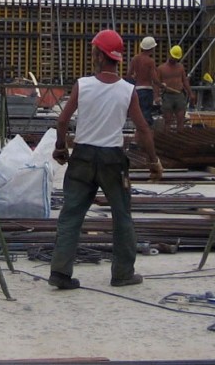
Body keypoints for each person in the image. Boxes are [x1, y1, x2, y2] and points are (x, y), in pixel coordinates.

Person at [48, 29, 163, 290]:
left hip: (83, 157)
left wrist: (60, 148)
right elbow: (144, 129)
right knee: (122, 216)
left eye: (93, 52)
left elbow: (63, 120)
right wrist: (154, 160)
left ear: (100, 55)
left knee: (71, 215)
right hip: (112, 160)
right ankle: (122, 274)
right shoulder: (127, 90)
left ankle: (60, 272)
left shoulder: (83, 85)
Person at [156, 45, 194, 137]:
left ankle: (179, 138)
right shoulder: (161, 68)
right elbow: (156, 83)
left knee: (180, 119)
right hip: (167, 96)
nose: (175, 59)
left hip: (179, 95)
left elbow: (184, 80)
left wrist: (190, 93)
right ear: (170, 55)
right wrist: (156, 96)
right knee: (167, 120)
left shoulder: (180, 67)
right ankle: (167, 140)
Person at [126, 35, 159, 124]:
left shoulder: (135, 59)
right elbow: (154, 78)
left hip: (137, 90)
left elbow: (128, 75)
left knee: (138, 116)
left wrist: (135, 77)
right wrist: (161, 85)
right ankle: (145, 136)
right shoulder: (150, 61)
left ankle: (139, 134)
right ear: (152, 48)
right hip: (147, 90)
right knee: (146, 117)